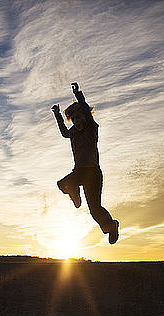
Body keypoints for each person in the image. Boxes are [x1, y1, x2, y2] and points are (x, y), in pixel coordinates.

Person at [51, 82, 119, 244]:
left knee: (95, 209)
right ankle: (74, 193)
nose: (77, 120)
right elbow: (64, 132)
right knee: (62, 184)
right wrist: (58, 115)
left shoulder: (91, 128)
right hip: (79, 172)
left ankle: (111, 226)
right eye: (74, 119)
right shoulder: (73, 133)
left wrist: (78, 95)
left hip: (93, 173)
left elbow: (87, 115)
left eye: (79, 116)